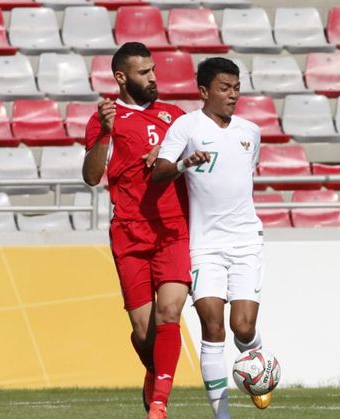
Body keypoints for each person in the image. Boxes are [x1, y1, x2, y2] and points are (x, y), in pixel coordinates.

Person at [152, 57, 269, 419]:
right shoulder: (186, 127)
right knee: (213, 326)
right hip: (204, 245)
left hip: (246, 241)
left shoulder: (250, 131)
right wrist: (186, 163)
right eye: (224, 88)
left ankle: (258, 368)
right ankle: (222, 416)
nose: (232, 95)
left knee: (242, 327)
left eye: (236, 88)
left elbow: (243, 179)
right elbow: (158, 173)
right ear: (204, 91)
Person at [82, 42, 191, 419]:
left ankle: (158, 405)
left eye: (153, 69)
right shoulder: (104, 119)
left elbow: (202, 155)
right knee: (146, 334)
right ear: (121, 77)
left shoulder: (175, 116)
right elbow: (91, 177)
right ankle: (153, 371)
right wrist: (104, 136)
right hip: (128, 233)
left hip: (172, 228)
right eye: (144, 72)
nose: (153, 77)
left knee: (170, 312)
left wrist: (168, 148)